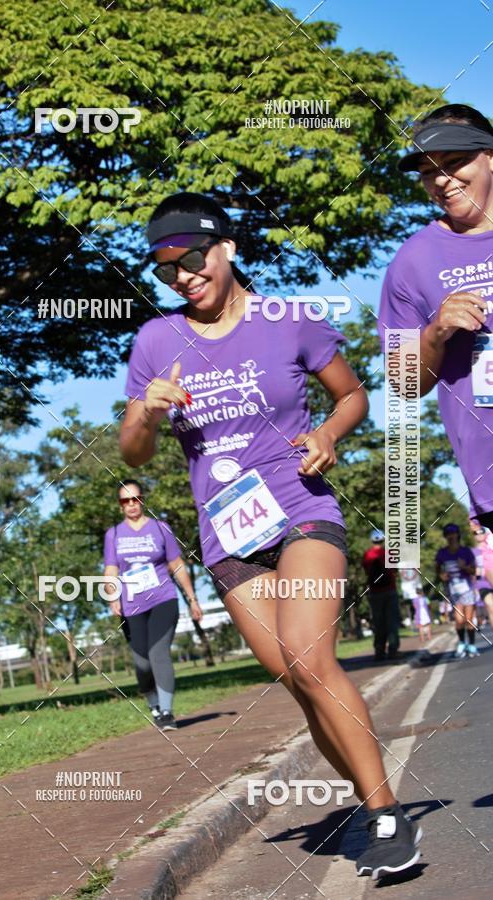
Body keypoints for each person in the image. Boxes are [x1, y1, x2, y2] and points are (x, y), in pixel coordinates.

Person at [119, 192, 422, 879]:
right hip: (227, 533)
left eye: (191, 258)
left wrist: (327, 434)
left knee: (309, 654)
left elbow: (352, 394)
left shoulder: (290, 320)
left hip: (300, 507)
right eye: (165, 269)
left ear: (224, 247)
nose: (181, 276)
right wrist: (146, 409)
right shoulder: (156, 341)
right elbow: (134, 450)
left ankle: (386, 814)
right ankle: (368, 799)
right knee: (296, 677)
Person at [378, 104, 493, 532]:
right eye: (429, 171)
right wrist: (434, 334)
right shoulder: (413, 261)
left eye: (454, 162)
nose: (443, 181)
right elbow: (404, 384)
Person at [103, 479, 203, 731]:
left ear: (142, 500)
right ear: (120, 506)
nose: (131, 504)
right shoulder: (113, 534)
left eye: (135, 499)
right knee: (142, 663)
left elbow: (176, 565)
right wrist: (112, 596)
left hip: (163, 598)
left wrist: (192, 598)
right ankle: (154, 705)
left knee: (158, 653)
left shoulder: (160, 529)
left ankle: (167, 712)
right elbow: (110, 569)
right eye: (125, 501)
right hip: (132, 605)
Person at [435, 523, 478, 658]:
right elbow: (438, 569)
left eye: (453, 533)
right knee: (459, 619)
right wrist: (442, 575)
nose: (451, 536)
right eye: (448, 534)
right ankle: (461, 642)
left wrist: (464, 567)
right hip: (453, 589)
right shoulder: (442, 553)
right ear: (445, 536)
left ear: (458, 535)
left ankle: (471, 644)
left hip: (467, 588)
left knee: (469, 619)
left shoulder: (465, 551)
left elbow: (474, 570)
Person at [362, 529, 401, 661]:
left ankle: (379, 651)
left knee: (378, 623)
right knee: (392, 622)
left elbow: (366, 571)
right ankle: (393, 650)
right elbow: (395, 570)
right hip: (390, 590)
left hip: (374, 592)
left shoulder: (367, 555)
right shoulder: (389, 553)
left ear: (372, 540)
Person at [470, 518, 493, 626]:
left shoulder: (491, 545)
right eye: (476, 533)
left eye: (481, 531)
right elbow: (472, 572)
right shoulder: (472, 552)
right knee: (491, 608)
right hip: (483, 583)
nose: (479, 534)